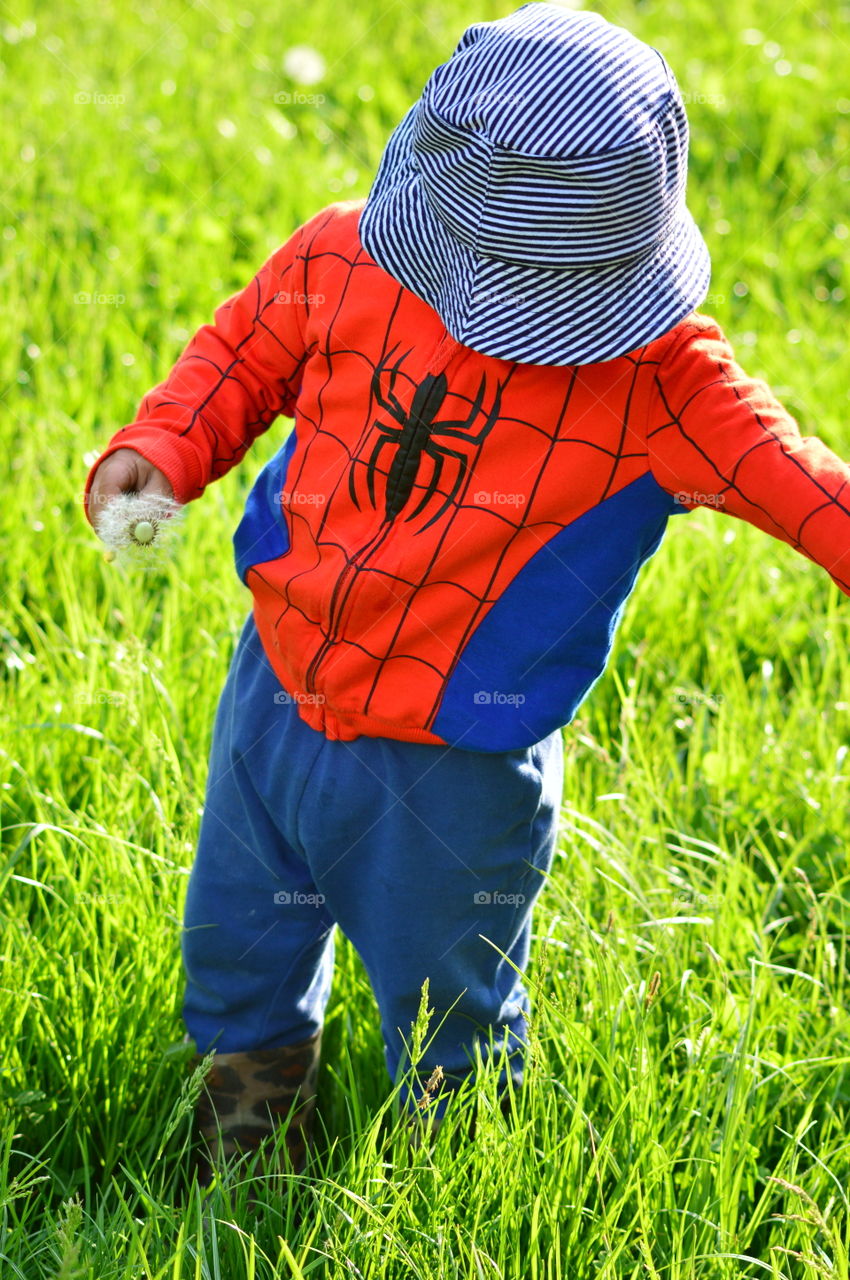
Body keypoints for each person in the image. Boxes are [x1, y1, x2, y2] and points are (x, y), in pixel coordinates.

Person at [82, 2, 850, 1182]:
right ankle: (251, 1137)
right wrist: (166, 445)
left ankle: (456, 1179)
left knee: (450, 995)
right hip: (274, 693)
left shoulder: (663, 383)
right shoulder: (342, 254)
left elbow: (798, 485)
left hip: (453, 762)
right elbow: (241, 352)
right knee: (239, 941)